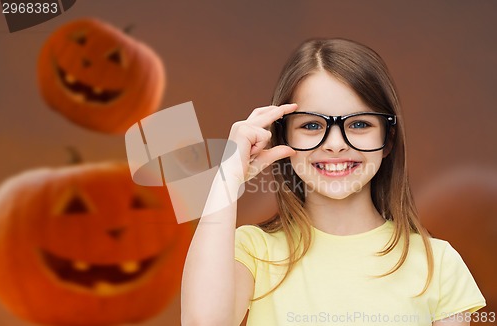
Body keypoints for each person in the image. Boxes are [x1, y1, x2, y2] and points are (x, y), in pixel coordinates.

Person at [181, 38, 486, 326]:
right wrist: (227, 176)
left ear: (387, 140)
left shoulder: (438, 262)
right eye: (312, 125)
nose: (336, 144)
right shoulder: (251, 250)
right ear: (283, 136)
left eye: (359, 124)